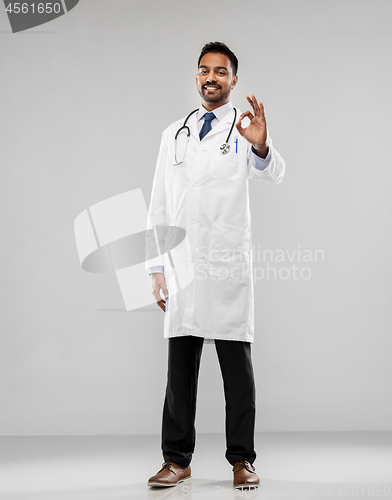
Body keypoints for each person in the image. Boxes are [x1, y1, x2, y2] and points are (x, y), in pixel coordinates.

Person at [145, 41, 285, 489]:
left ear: (234, 80)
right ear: (197, 76)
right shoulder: (175, 134)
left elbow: (273, 173)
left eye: (221, 72)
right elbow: (159, 205)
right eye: (205, 70)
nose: (211, 78)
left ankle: (242, 459)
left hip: (225, 265)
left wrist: (262, 146)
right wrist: (156, 268)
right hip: (182, 264)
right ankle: (176, 459)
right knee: (179, 371)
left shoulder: (243, 131)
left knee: (236, 370)